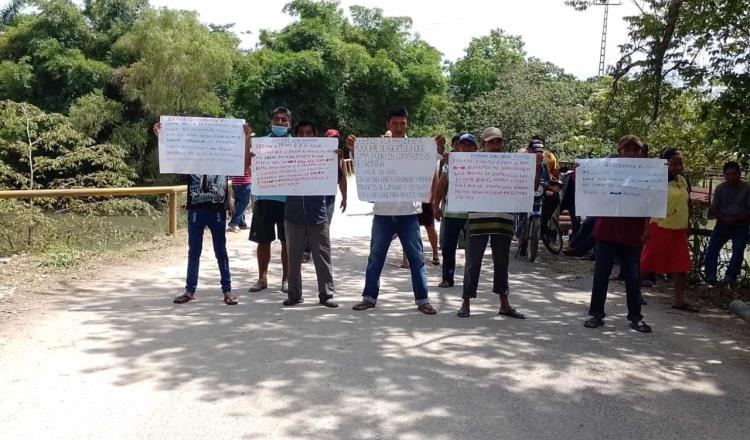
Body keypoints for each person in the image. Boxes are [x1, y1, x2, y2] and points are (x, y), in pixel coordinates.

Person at [346, 107, 442, 314]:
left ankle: (423, 299)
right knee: (376, 257)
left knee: (416, 258)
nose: (399, 127)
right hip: (382, 213)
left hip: (409, 213)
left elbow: (431, 169)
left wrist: (437, 149)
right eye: (395, 123)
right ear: (388, 125)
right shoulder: (377, 149)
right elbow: (361, 167)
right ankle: (369, 297)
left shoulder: (418, 149)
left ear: (407, 124)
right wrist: (354, 149)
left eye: (402, 123)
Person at [153, 120, 251, 306]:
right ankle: (190, 290)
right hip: (196, 209)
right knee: (194, 251)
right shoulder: (190, 156)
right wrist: (162, 136)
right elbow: (171, 158)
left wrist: (245, 138)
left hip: (217, 210)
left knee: (220, 251)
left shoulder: (226, 156)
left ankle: (227, 290)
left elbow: (244, 165)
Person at [584, 135, 651, 332]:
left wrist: (647, 229)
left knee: (633, 276)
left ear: (641, 152)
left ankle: (636, 317)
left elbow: (650, 202)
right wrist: (584, 173)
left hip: (633, 232)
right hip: (607, 230)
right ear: (619, 151)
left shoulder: (648, 174)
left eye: (635, 150)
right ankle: (596, 315)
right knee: (601, 275)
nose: (631, 153)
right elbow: (590, 190)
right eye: (627, 149)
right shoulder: (606, 171)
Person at [457, 128, 525, 319]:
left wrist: (535, 167)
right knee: (473, 261)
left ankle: (504, 304)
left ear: (502, 143)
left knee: (502, 262)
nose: (495, 146)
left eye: (498, 142)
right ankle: (466, 302)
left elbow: (528, 187)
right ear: (484, 144)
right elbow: (459, 182)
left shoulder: (513, 164)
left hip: (503, 218)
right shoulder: (473, 163)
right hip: (478, 218)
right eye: (491, 142)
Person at [282, 121, 339, 308]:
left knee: (322, 255)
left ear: (315, 135)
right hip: (293, 212)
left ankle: (326, 294)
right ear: (296, 135)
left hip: (317, 212)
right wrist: (259, 160)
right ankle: (294, 294)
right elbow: (272, 169)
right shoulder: (286, 155)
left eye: (309, 133)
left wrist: (336, 159)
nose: (305, 136)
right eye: (301, 133)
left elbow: (336, 179)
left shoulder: (325, 155)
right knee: (294, 256)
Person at [640, 148, 696, 311]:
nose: (678, 167)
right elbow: (647, 205)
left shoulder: (682, 180)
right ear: (665, 164)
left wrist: (688, 223)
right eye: (674, 163)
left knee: (681, 265)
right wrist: (646, 229)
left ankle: (679, 300)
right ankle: (634, 293)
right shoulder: (656, 181)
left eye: (680, 163)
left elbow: (687, 203)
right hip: (659, 226)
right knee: (646, 262)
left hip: (678, 229)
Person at [248, 106, 291, 293]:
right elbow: (246, 164)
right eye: (277, 119)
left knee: (287, 242)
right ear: (270, 122)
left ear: (290, 124)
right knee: (263, 241)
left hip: (288, 200)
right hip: (263, 198)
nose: (280, 122)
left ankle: (287, 279)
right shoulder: (260, 143)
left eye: (284, 120)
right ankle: (262, 278)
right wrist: (247, 148)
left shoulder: (298, 145)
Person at [432, 132, 479, 287]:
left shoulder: (483, 165)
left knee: (472, 250)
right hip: (452, 213)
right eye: (463, 145)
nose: (466, 148)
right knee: (448, 247)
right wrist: (436, 207)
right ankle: (447, 278)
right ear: (458, 147)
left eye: (470, 145)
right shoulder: (449, 164)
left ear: (475, 148)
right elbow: (441, 186)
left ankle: (470, 280)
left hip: (472, 214)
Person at [704, 161, 750, 288]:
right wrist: (723, 218)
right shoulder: (720, 188)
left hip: (740, 224)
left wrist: (736, 218)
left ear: (739, 174)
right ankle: (710, 277)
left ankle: (730, 278)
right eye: (727, 174)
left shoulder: (747, 188)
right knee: (712, 248)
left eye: (733, 174)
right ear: (724, 175)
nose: (730, 177)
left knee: (738, 249)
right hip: (722, 223)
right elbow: (714, 208)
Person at [227, 168, 252, 232]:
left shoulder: (235, 157)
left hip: (236, 180)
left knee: (238, 202)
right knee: (244, 202)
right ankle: (234, 222)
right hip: (245, 180)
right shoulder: (247, 157)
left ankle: (241, 223)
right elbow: (249, 167)